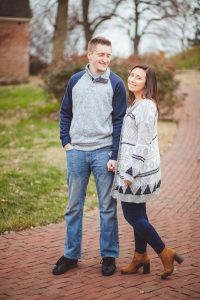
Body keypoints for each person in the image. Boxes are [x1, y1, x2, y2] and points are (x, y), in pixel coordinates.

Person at [52, 37, 127, 276]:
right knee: (74, 207)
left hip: (104, 152)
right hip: (76, 153)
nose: (105, 59)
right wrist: (66, 143)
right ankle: (71, 255)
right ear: (89, 55)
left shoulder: (115, 83)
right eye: (101, 55)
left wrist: (114, 154)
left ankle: (109, 255)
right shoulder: (75, 80)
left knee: (107, 207)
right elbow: (65, 112)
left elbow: (119, 122)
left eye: (108, 55)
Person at [112, 64, 184, 279]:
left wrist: (129, 173)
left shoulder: (145, 107)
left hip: (136, 173)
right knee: (139, 214)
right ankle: (140, 256)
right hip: (135, 171)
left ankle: (165, 252)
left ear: (147, 83)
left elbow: (142, 144)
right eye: (131, 75)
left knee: (132, 216)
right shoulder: (138, 103)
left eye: (138, 77)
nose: (132, 79)